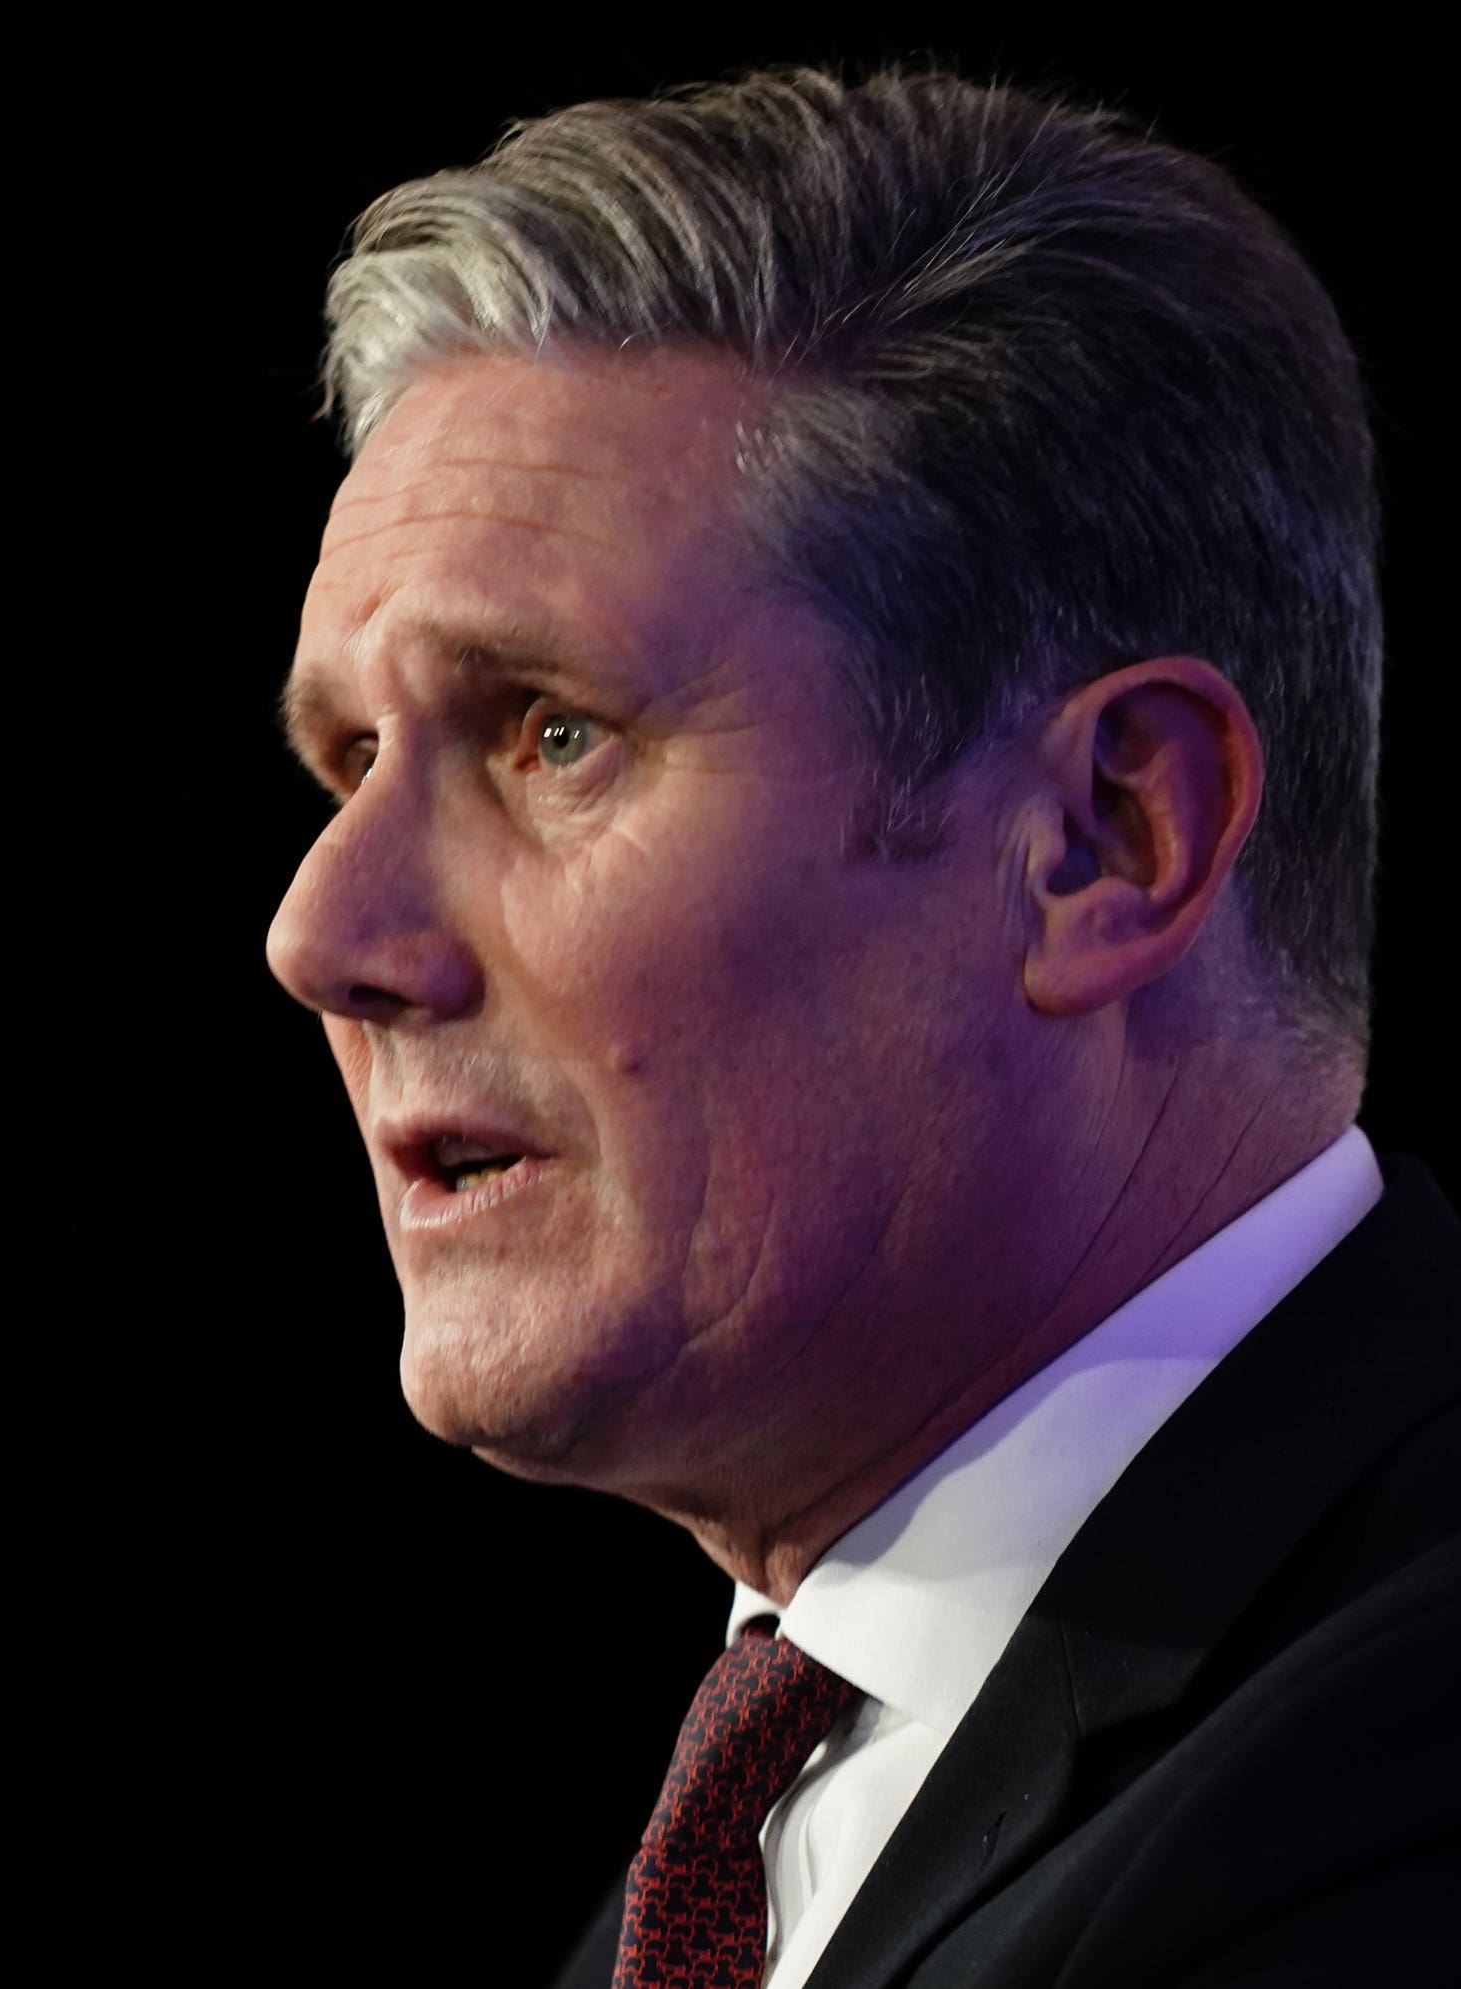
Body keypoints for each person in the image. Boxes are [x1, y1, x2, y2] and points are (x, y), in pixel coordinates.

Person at [264, 66, 1460, 1988]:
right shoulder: (763, 1833)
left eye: (550, 733)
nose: (325, 932)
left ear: (1106, 839)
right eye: (344, 764)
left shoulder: (1387, 1801)